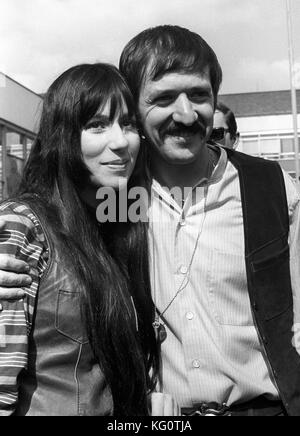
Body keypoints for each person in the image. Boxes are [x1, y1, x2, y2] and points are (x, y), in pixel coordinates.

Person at [1, 25, 300, 416]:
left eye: (199, 95)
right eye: (163, 98)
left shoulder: (273, 189)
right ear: (138, 110)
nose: (186, 114)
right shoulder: (114, 197)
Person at [0, 62, 167, 416]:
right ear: (63, 137)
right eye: (97, 125)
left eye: (128, 124)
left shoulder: (121, 226)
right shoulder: (24, 225)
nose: (121, 142)